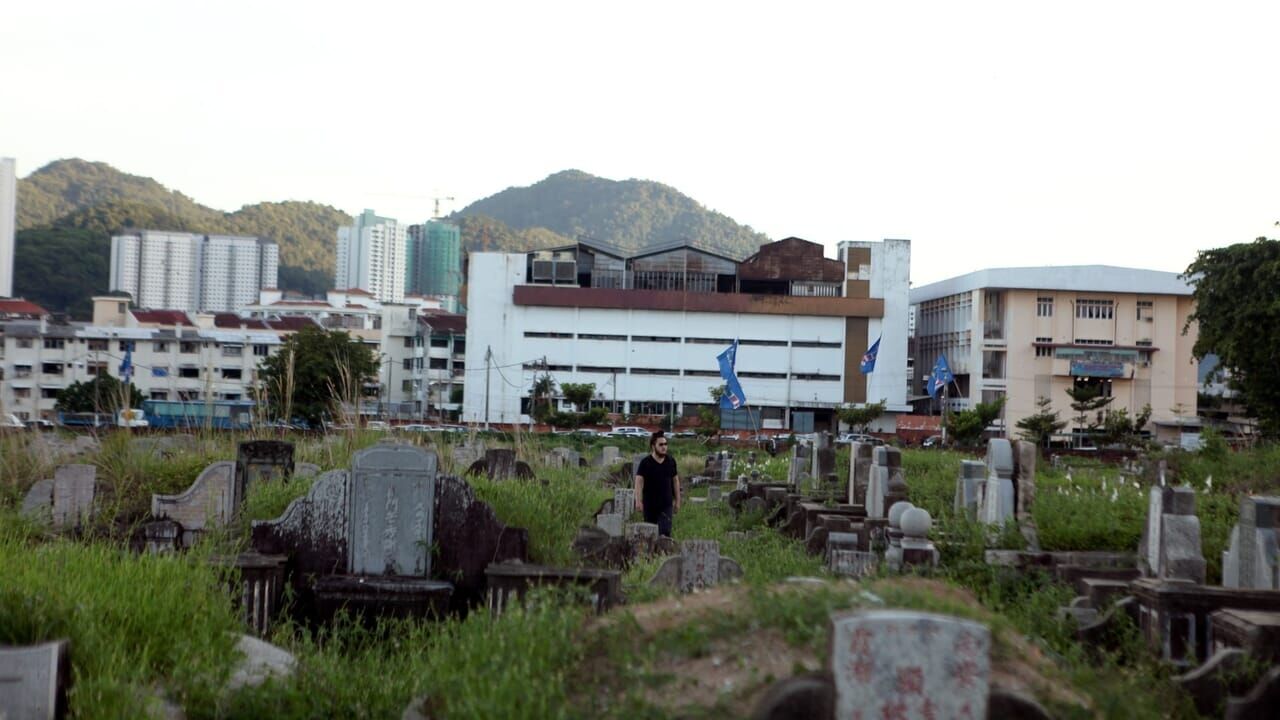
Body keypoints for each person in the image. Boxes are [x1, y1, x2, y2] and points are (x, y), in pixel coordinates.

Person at [635, 430, 681, 537]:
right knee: (649, 535)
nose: (664, 447)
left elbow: (675, 481)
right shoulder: (645, 463)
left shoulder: (671, 461)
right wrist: (638, 501)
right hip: (649, 505)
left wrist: (678, 500)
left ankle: (664, 547)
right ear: (653, 446)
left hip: (666, 504)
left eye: (665, 444)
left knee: (664, 533)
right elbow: (639, 482)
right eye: (661, 445)